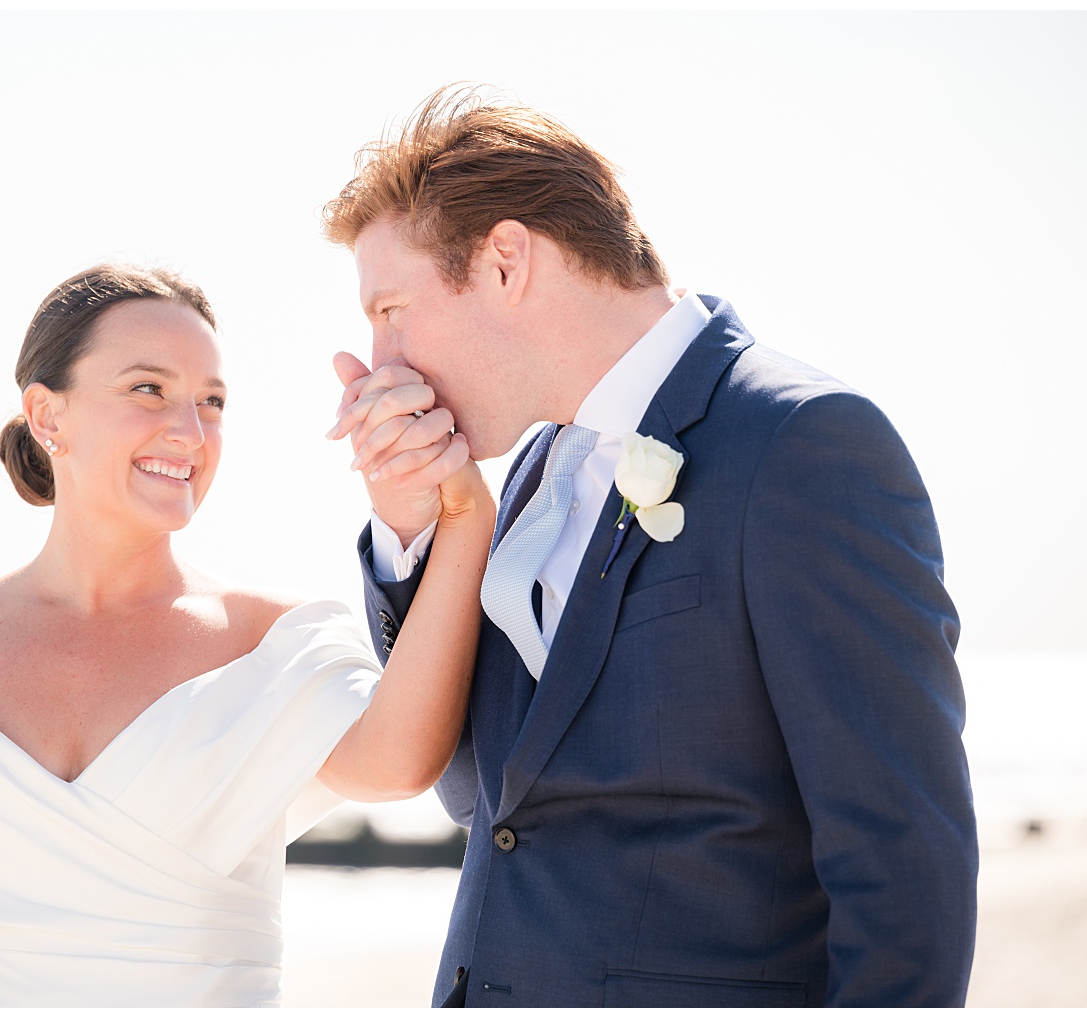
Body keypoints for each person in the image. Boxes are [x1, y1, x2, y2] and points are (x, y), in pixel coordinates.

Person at [323, 86, 977, 1007]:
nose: (381, 360)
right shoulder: (535, 473)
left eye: (391, 309)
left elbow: (902, 857)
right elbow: (488, 802)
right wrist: (414, 526)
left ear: (506, 262)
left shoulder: (803, 445)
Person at [0, 263, 494, 1007]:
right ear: (47, 416)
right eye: (147, 388)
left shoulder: (270, 640)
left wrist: (464, 516)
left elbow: (399, 765)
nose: (190, 432)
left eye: (212, 402)